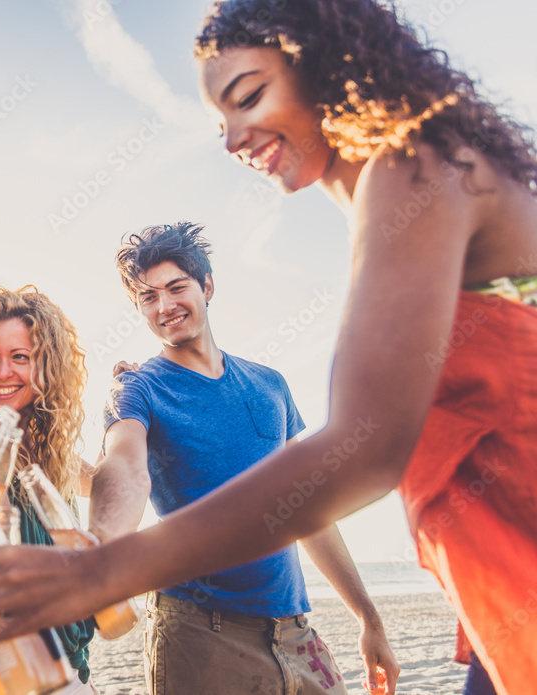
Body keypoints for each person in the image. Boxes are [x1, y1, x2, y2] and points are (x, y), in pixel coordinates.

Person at [0, 2, 537, 694]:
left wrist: (97, 574)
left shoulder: (413, 166)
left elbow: (359, 452)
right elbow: (124, 467)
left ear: (327, 66)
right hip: (484, 585)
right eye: (219, 120)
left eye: (249, 96)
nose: (231, 139)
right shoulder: (140, 384)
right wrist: (94, 544)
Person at [100, 223, 395, 694]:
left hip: (296, 632)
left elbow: (307, 509)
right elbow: (125, 468)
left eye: (176, 288)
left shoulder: (269, 384)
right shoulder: (136, 390)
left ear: (208, 286)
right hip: (199, 636)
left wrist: (368, 617)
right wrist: (104, 547)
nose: (164, 307)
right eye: (147, 297)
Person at [0, 286, 98, 692]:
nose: (3, 372)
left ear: (48, 366)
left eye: (20, 357)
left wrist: (127, 403)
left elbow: (107, 483)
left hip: (70, 664)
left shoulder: (54, 453)